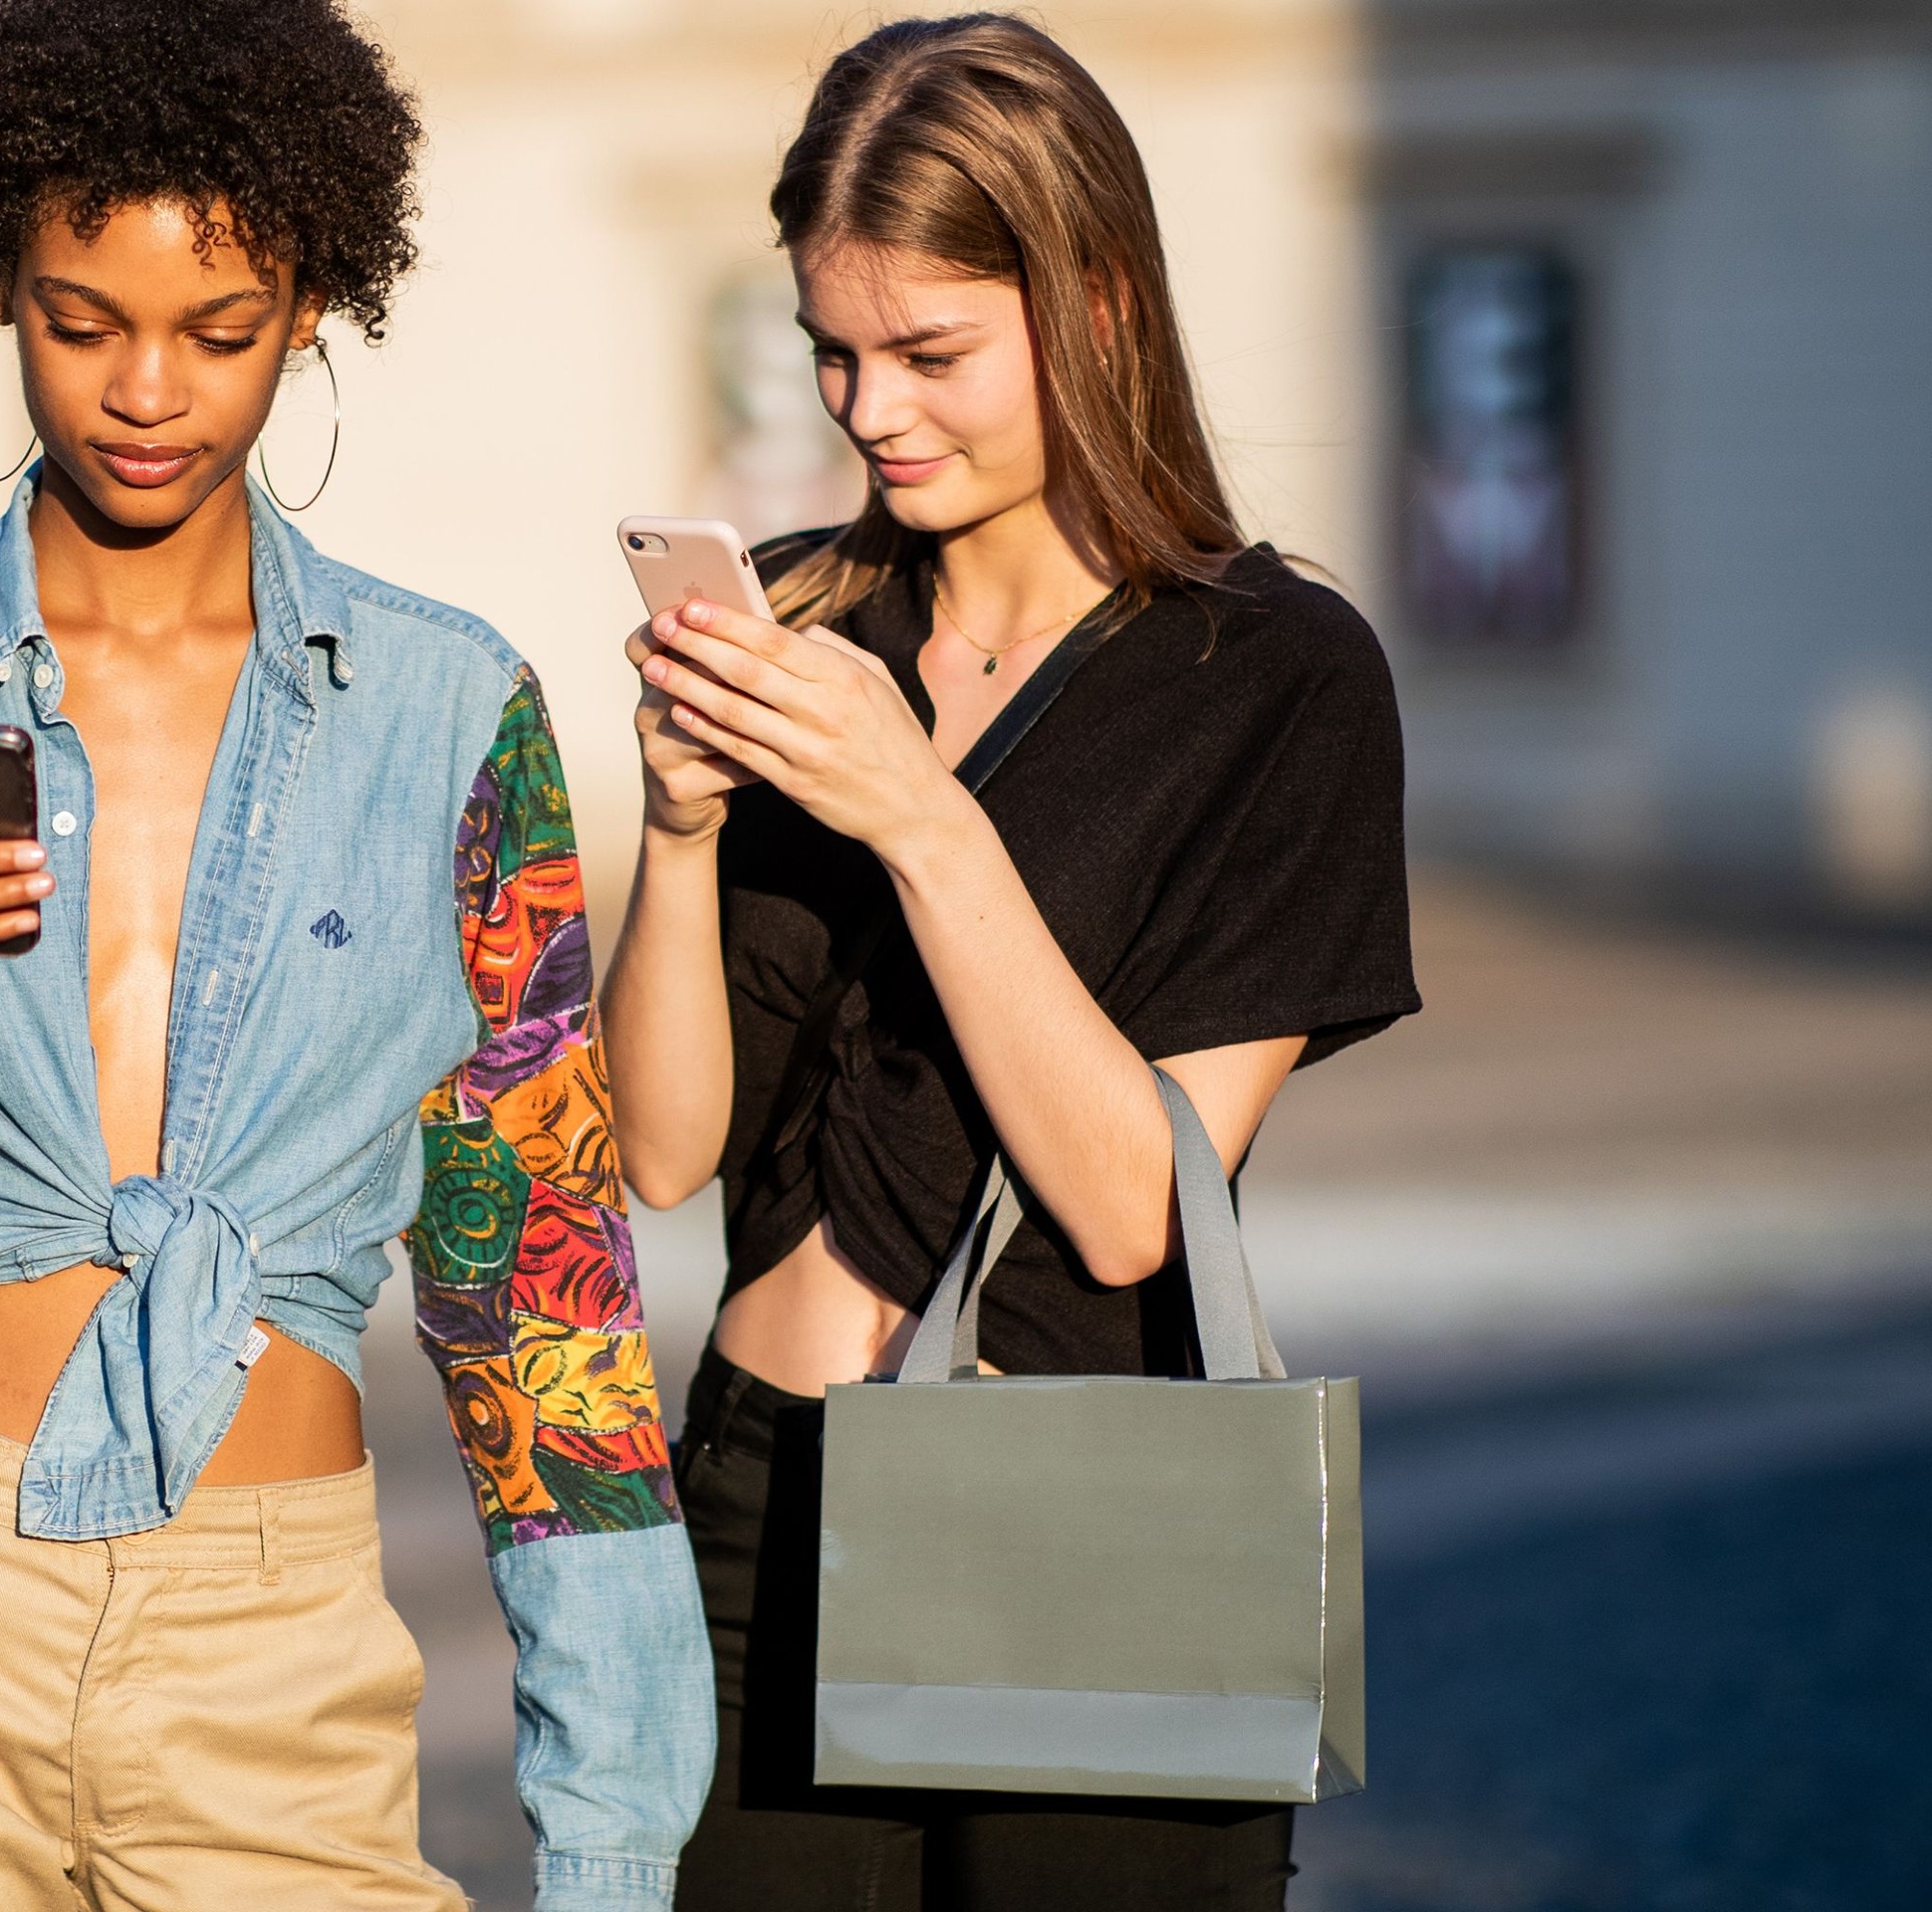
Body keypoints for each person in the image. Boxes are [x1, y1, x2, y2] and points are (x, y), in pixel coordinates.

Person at [0, 3, 710, 1907]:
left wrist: (611, 1839)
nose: (144, 393)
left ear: (311, 306)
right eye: (76, 319)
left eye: (221, 330)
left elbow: (540, 1295)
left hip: (273, 1643)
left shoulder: (452, 714)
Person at [600, 18, 1423, 1912]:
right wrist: (680, 822)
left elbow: (1133, 1205)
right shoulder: (806, 617)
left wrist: (919, 816)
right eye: (831, 349)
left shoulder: (1275, 679)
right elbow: (656, 1155)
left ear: (1098, 306)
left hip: (1079, 1537)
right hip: (743, 1516)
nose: (868, 410)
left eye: (929, 354)